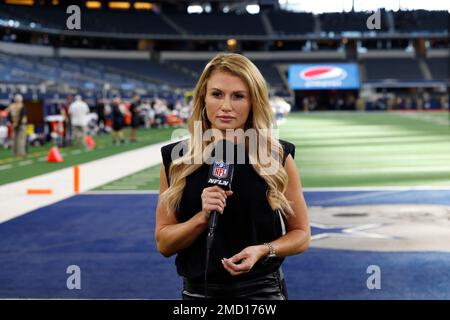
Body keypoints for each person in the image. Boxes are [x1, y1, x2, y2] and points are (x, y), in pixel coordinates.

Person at [155, 53, 310, 300]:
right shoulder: (177, 159)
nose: (226, 106)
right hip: (198, 295)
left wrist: (264, 250)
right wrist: (201, 218)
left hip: (262, 293)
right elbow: (164, 244)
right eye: (217, 94)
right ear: (203, 98)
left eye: (238, 96)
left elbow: (301, 235)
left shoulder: (277, 156)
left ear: (253, 102)